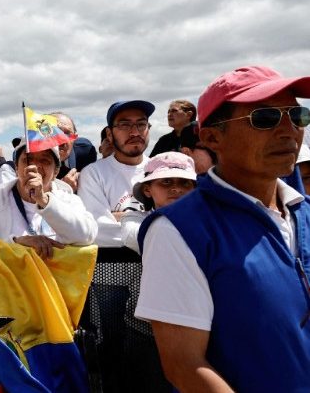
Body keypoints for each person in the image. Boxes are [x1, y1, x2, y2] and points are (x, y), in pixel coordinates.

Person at [135, 66, 310, 391]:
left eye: (297, 115)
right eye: (265, 118)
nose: (289, 130)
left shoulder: (304, 213)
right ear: (211, 137)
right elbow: (184, 365)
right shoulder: (178, 231)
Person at [0, 138, 97, 257]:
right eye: (28, 159)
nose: (35, 166)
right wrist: (16, 243)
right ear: (16, 167)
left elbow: (86, 236)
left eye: (44, 160)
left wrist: (43, 200)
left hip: (57, 275)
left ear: (56, 172)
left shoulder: (69, 200)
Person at [77, 100, 154, 247]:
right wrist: (155, 229)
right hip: (114, 267)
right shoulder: (93, 174)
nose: (135, 132)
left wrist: (120, 218)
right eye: (124, 125)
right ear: (109, 134)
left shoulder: (161, 172)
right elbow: (99, 232)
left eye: (141, 124)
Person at [120, 152, 197, 253]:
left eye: (185, 182)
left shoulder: (206, 219)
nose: (177, 189)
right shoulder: (134, 220)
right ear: (147, 190)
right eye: (166, 181)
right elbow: (138, 237)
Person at [52, 111, 97, 190]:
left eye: (67, 133)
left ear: (75, 138)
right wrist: (64, 189)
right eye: (55, 132)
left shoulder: (85, 152)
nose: (62, 139)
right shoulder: (27, 157)